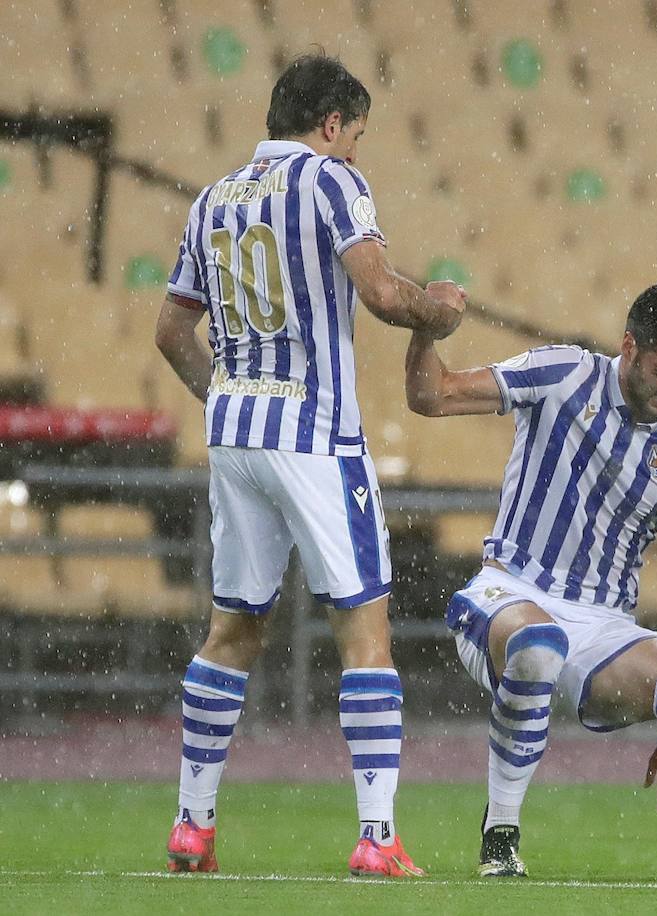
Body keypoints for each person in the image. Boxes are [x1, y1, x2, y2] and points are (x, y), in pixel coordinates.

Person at [154, 53, 464, 878]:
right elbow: (383, 295)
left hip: (236, 434)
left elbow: (170, 332)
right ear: (331, 125)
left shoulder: (212, 200)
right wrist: (442, 312)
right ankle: (376, 837)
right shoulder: (331, 183)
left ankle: (192, 826)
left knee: (231, 632)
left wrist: (224, 395)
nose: (356, 152)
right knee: (365, 633)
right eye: (355, 135)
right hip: (317, 433)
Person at [404, 282, 657, 880]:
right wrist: (425, 328)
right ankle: (500, 837)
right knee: (537, 646)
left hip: (603, 628)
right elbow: (430, 397)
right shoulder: (562, 373)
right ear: (629, 347)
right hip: (509, 591)